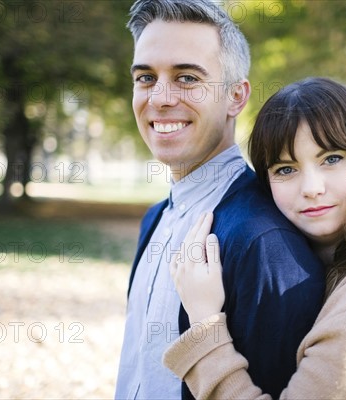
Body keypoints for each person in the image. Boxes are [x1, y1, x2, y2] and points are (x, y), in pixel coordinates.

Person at [164, 77, 346, 399]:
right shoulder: (343, 261)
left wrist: (204, 323)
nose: (311, 187)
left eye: (332, 159)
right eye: (285, 169)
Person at [115, 1, 326, 399]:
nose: (160, 98)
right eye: (145, 77)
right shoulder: (156, 217)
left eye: (187, 78)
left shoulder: (264, 241)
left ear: (235, 97)